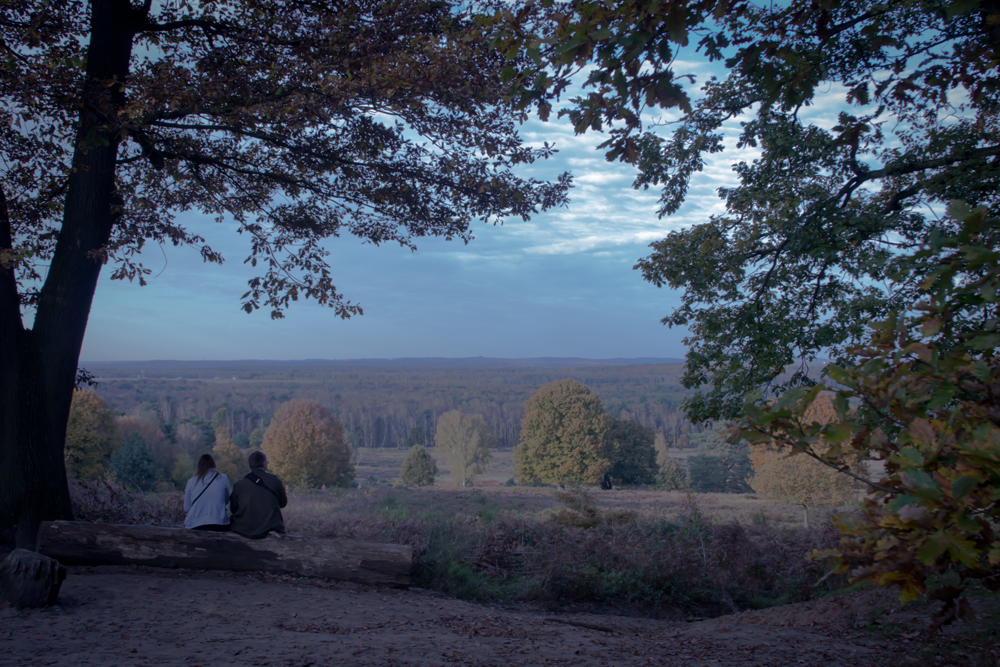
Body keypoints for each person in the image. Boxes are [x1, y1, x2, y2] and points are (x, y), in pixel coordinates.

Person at [229, 451, 288, 539]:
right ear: (264, 464)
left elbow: (233, 509)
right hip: (271, 527)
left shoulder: (239, 485)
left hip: (244, 529)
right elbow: (283, 503)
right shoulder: (275, 480)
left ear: (250, 465)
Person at [183, 454, 231, 531]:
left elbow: (187, 507)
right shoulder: (223, 478)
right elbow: (226, 500)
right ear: (213, 464)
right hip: (219, 522)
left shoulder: (191, 482)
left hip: (196, 524)